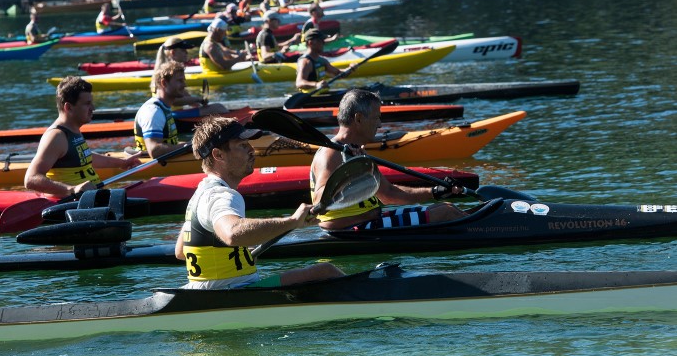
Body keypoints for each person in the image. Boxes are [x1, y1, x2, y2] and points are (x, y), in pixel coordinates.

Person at [174, 116, 345, 289]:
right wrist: (292, 221)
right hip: (232, 293)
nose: (251, 150)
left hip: (211, 290)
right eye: (242, 145)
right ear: (218, 155)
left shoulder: (200, 194)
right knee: (325, 271)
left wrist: (239, 255)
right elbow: (232, 234)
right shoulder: (221, 195)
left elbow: (181, 251)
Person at [309, 89, 469, 231]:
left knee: (447, 207)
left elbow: (388, 194)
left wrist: (435, 191)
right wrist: (350, 170)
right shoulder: (331, 153)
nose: (379, 124)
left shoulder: (357, 152)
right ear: (358, 119)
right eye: (376, 118)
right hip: (350, 230)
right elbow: (319, 200)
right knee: (445, 213)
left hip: (371, 221)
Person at [25, 76, 140, 196]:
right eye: (87, 104)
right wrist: (72, 189)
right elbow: (30, 179)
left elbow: (85, 157)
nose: (93, 108)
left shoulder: (73, 129)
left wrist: (122, 163)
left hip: (91, 197)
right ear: (68, 107)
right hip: (72, 202)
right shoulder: (56, 136)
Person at [152, 37, 228, 116]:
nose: (186, 53)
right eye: (183, 50)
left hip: (174, 112)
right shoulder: (168, 72)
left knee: (216, 107)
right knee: (219, 108)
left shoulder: (172, 70)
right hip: (170, 115)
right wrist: (198, 99)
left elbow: (188, 99)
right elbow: (175, 101)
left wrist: (200, 102)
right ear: (173, 52)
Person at [134, 61, 190, 158]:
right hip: (149, 163)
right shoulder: (153, 111)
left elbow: (168, 143)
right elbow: (154, 151)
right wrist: (188, 147)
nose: (184, 85)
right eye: (180, 81)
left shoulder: (164, 107)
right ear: (164, 83)